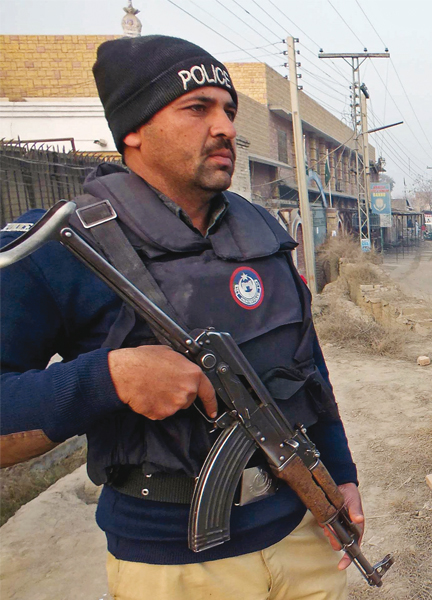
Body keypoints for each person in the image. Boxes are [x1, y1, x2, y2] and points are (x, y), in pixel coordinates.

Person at [0, 36, 360, 600]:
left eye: (229, 111)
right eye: (198, 109)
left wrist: (341, 475)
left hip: (301, 538)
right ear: (133, 130)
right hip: (173, 568)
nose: (224, 127)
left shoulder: (263, 233)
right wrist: (112, 377)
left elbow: (308, 368)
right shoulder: (58, 245)